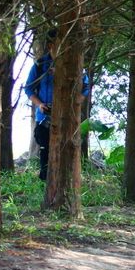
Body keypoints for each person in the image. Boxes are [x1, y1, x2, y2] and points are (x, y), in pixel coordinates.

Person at [24, 29, 90, 181]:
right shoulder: (40, 66)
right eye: (59, 44)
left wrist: (76, 102)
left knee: (67, 150)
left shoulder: (75, 65)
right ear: (50, 45)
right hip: (44, 117)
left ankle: (67, 181)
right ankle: (45, 184)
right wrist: (39, 104)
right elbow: (28, 88)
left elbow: (85, 87)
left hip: (67, 116)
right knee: (46, 152)